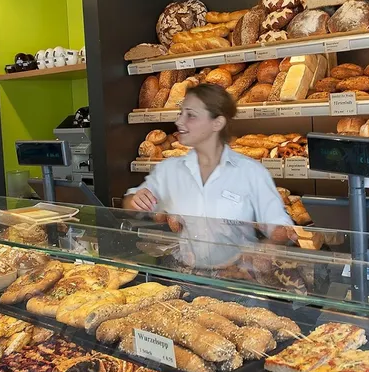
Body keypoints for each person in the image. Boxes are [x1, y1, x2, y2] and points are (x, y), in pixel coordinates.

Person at [123, 83, 292, 266]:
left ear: (217, 123)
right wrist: (135, 200)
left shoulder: (251, 173)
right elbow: (129, 204)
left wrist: (273, 241)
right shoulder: (169, 169)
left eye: (191, 116)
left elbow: (281, 229)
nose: (179, 122)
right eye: (181, 114)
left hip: (236, 280)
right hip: (187, 277)